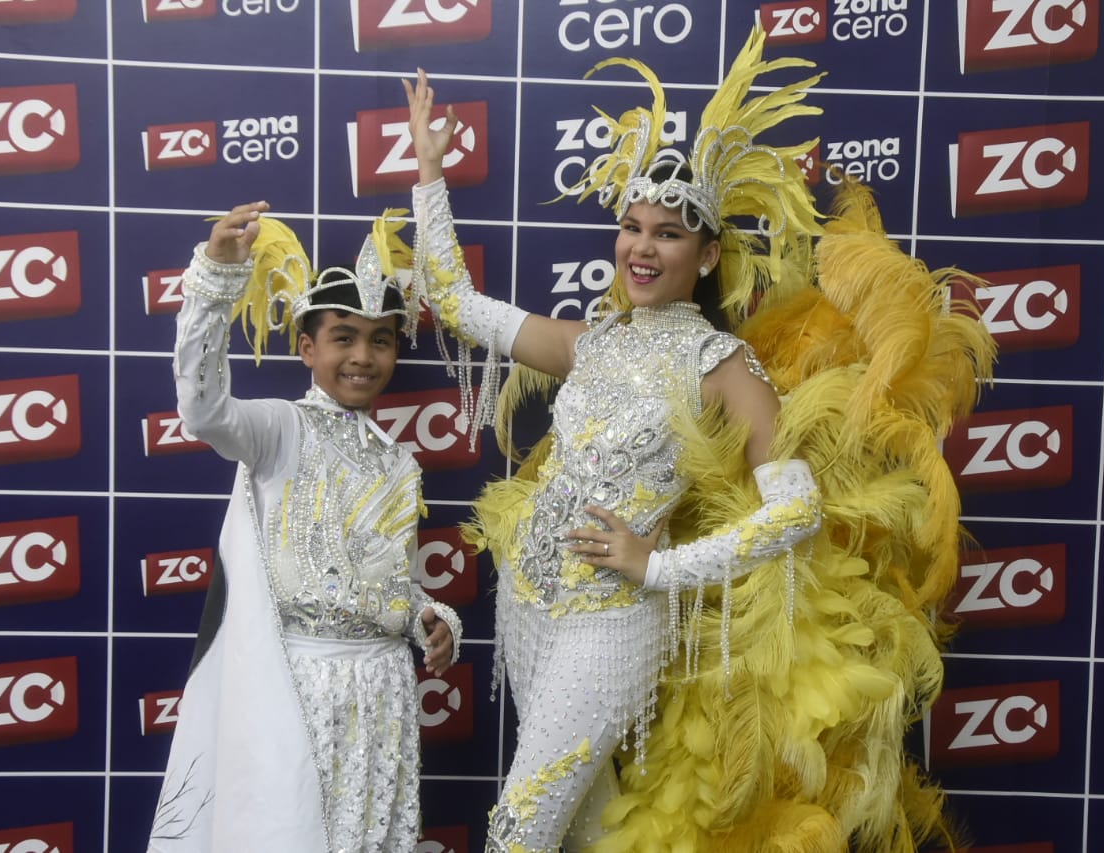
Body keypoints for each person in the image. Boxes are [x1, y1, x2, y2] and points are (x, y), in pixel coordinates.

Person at [409, 26, 993, 853]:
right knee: (579, 826)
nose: (642, 247)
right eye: (633, 227)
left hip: (614, 621)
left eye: (668, 233)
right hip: (530, 607)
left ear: (709, 252)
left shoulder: (723, 363)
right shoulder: (589, 340)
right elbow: (454, 300)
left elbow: (794, 510)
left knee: (518, 825)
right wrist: (430, 172)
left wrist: (660, 568)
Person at [147, 202, 461, 852]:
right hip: (298, 684)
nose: (363, 356)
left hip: (385, 694)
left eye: (380, 339)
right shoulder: (280, 427)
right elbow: (202, 409)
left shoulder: (401, 462)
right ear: (307, 347)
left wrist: (430, 619)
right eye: (344, 337)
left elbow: (390, 581)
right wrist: (215, 283)